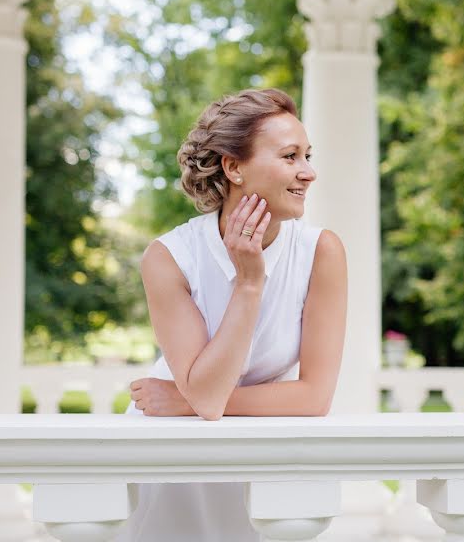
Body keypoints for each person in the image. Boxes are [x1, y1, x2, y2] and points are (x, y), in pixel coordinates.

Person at [115, 88, 347, 541]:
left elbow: (314, 398)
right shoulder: (169, 257)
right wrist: (248, 283)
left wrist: (186, 403)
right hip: (174, 455)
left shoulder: (322, 251)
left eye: (307, 155)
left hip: (258, 449)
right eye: (290, 156)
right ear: (233, 166)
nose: (309, 172)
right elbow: (206, 391)